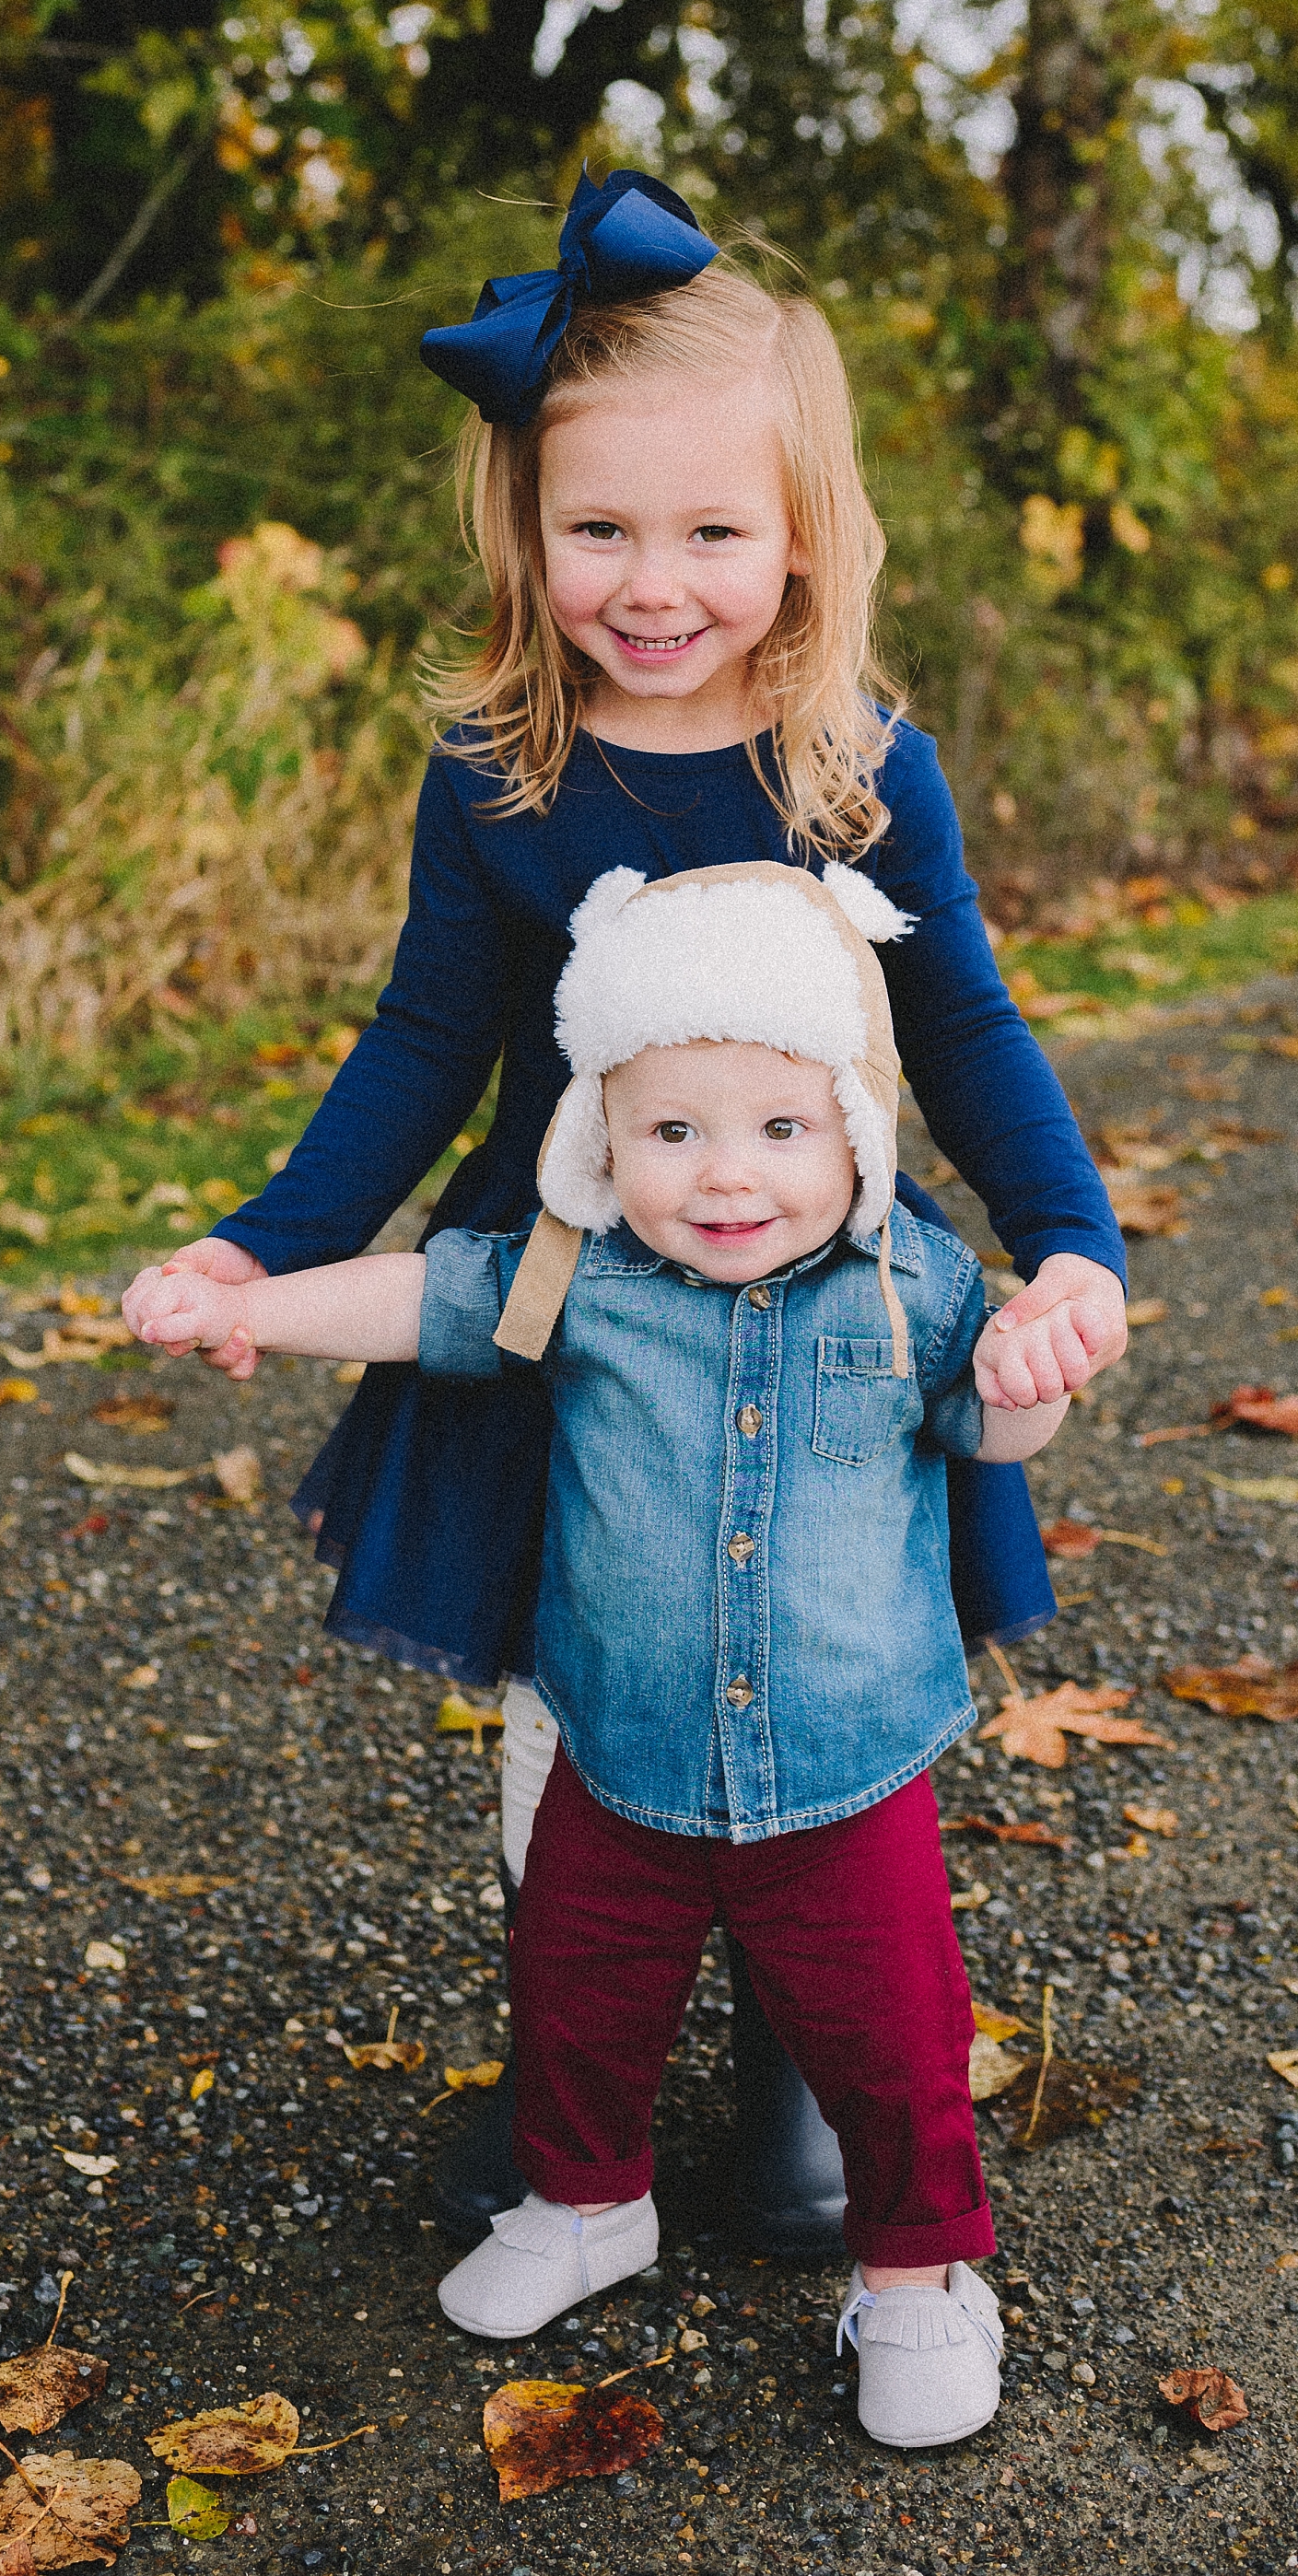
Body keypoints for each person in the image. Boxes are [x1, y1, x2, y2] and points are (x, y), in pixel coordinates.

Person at [135, 169, 1127, 2250]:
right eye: (599, 531)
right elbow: (422, 1042)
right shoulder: (500, 764)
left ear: (801, 536)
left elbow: (962, 1027)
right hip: (565, 1286)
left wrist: (1069, 1242)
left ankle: (797, 2089)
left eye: (709, 533)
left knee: (817, 1649)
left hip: (817, 1269)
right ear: (526, 530)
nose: (652, 583)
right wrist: (269, 1244)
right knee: (575, 1673)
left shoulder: (856, 761)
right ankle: (574, 2072)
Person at [129, 861, 1068, 2448]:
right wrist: (259, 1305)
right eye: (672, 1130)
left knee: (898, 2040)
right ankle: (587, 2199)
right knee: (574, 1998)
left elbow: (998, 1423)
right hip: (619, 1751)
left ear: (854, 1124)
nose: (726, 1176)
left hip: (844, 1772)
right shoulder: (579, 1277)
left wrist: (1041, 1359)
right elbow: (420, 1297)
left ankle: (918, 2276)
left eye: (781, 1129)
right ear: (598, 1138)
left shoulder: (917, 1285)